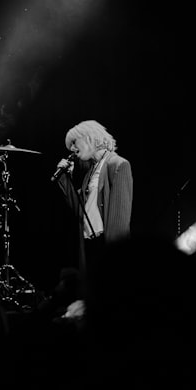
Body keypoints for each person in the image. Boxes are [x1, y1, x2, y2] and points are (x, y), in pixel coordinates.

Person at [51, 120, 133, 311]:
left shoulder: (117, 165)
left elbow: (120, 217)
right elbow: (79, 209)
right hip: (90, 244)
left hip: (107, 245)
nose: (72, 148)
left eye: (74, 142)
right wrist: (65, 178)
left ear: (90, 138)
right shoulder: (92, 171)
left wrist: (115, 256)